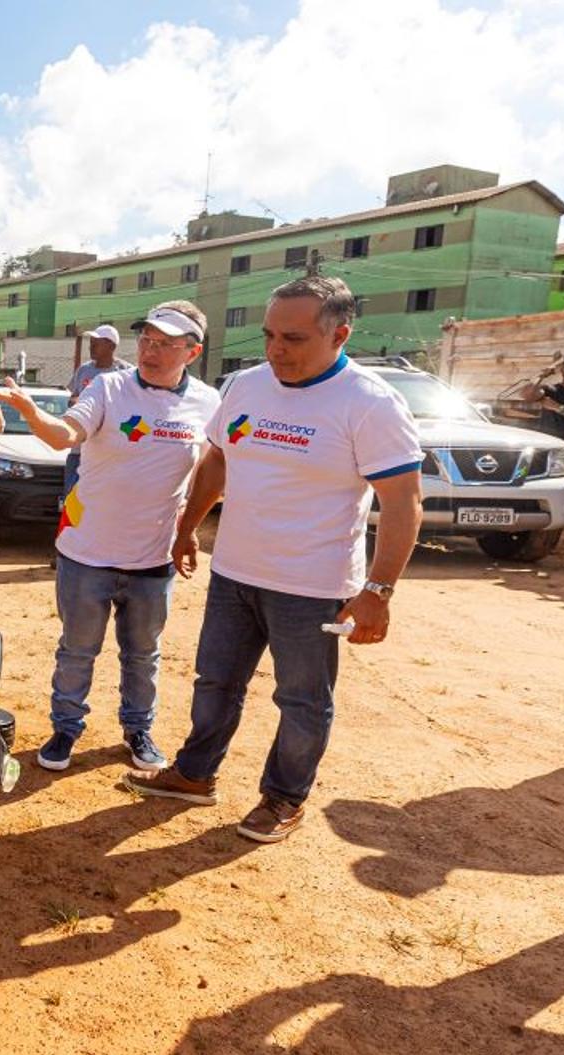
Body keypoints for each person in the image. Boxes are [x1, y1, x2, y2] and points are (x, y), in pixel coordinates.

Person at [124, 276, 424, 845]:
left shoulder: (370, 403)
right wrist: (188, 528)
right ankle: (194, 774)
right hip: (234, 573)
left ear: (340, 334)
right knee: (215, 682)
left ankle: (284, 797)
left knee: (302, 700)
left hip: (312, 586)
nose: (276, 350)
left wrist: (379, 591)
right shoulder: (247, 386)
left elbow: (403, 502)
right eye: (268, 336)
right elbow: (217, 462)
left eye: (294, 338)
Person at [0, 302, 222, 774]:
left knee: (143, 655)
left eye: (165, 344)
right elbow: (63, 435)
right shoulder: (108, 387)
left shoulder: (207, 402)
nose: (151, 352)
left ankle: (138, 729)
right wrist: (33, 412)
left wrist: (189, 531)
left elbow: (208, 472)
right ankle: (66, 728)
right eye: (148, 341)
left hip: (153, 559)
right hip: (87, 553)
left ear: (192, 352)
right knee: (77, 650)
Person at [65, 325, 130, 496]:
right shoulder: (84, 370)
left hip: (110, 452)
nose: (91, 347)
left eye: (96, 343)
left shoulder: (126, 373)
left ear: (111, 346)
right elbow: (72, 398)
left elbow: (132, 409)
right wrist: (76, 402)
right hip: (79, 451)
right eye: (91, 342)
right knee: (71, 502)